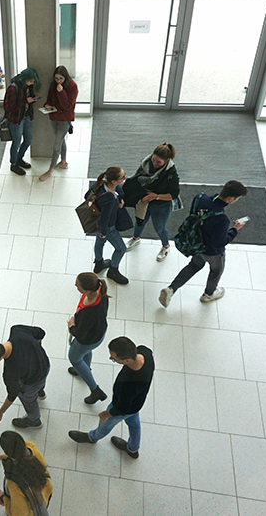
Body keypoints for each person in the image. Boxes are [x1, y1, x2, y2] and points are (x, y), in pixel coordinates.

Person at [159, 180, 248, 307]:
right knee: (216, 271)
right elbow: (220, 242)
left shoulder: (201, 198)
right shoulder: (222, 219)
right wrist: (235, 229)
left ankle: (171, 289)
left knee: (193, 266)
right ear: (231, 198)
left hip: (197, 244)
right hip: (213, 253)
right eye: (237, 199)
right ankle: (208, 294)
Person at [68, 337, 154, 459]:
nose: (110, 358)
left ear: (127, 360)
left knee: (105, 425)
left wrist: (107, 414)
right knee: (134, 425)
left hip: (124, 407)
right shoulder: (145, 352)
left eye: (114, 359)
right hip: (137, 402)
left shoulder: (129, 383)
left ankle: (92, 437)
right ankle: (133, 449)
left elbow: (122, 408)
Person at [0, 325, 50, 429]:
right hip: (44, 364)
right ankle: (40, 392)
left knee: (29, 400)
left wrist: (0, 413)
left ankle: (34, 421)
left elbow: (13, 394)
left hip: (32, 381)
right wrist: (37, 347)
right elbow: (41, 332)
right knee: (41, 383)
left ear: (0, 359)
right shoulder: (17, 330)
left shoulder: (10, 372)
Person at [123, 143, 180, 262]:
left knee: (159, 228)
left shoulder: (171, 174)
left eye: (158, 162)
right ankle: (135, 238)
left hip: (160, 204)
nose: (154, 163)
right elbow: (137, 178)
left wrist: (156, 196)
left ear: (167, 160)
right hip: (144, 199)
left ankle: (166, 246)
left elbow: (173, 195)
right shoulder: (145, 164)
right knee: (140, 221)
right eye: (153, 159)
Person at [0, 431, 53, 516]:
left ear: (7, 452)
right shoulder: (31, 447)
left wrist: (2, 498)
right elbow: (19, 455)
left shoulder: (14, 483)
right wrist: (0, 457)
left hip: (32, 511)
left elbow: (19, 513)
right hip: (45, 493)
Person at [67, 272, 109, 405]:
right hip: (96, 334)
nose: (75, 286)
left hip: (87, 339)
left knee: (74, 358)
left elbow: (79, 334)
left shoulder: (90, 313)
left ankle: (95, 390)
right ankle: (85, 369)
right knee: (84, 354)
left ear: (87, 290)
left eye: (77, 286)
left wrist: (71, 326)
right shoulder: (100, 291)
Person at [89, 166, 131, 285]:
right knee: (121, 248)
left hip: (96, 222)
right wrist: (103, 232)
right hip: (108, 227)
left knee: (99, 243)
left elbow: (88, 195)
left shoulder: (100, 184)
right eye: (123, 177)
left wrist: (120, 199)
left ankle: (98, 264)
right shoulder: (109, 199)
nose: (125, 178)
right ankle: (113, 271)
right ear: (113, 181)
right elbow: (105, 218)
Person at [39, 66, 78, 180]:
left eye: (61, 78)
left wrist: (61, 92)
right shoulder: (53, 85)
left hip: (64, 119)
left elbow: (67, 106)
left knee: (56, 144)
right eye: (56, 78)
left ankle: (50, 170)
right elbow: (50, 99)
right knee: (60, 140)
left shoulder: (72, 87)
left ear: (66, 77)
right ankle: (63, 162)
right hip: (53, 117)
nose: (58, 81)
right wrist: (47, 105)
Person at [3, 67, 39, 176]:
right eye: (31, 81)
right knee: (16, 142)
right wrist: (25, 101)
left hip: (26, 116)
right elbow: (8, 107)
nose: (32, 83)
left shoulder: (28, 87)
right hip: (16, 119)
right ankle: (13, 163)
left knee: (29, 139)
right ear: (25, 79)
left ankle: (19, 158)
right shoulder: (13, 88)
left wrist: (32, 99)